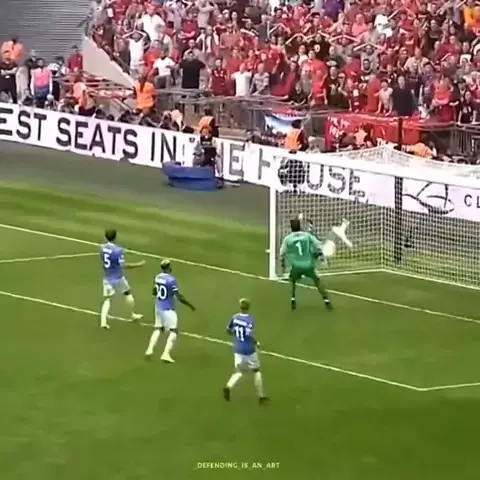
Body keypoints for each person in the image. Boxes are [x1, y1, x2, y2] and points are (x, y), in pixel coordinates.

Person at [145, 259, 195, 363]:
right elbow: (178, 296)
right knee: (174, 331)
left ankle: (149, 349)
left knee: (158, 329)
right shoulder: (171, 280)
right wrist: (190, 305)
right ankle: (165, 354)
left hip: (158, 306)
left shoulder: (158, 277)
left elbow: (154, 292)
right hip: (168, 309)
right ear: (168, 267)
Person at [279, 218, 332, 311]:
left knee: (292, 281)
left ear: (291, 227)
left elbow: (282, 253)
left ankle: (293, 299)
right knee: (318, 282)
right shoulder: (307, 236)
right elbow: (318, 246)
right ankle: (326, 300)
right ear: (300, 226)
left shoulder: (287, 239)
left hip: (296, 266)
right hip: (308, 265)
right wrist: (321, 256)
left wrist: (283, 264)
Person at [223, 298, 267, 404]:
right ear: (249, 307)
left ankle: (228, 386)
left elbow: (228, 330)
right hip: (249, 350)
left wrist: (236, 334)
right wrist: (256, 342)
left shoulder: (234, 317)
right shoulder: (250, 320)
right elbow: (248, 335)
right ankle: (261, 396)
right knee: (256, 371)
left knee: (239, 371)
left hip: (238, 349)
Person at [99, 228, 145, 329]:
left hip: (107, 277)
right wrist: (138, 264)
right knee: (128, 294)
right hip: (118, 278)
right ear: (115, 237)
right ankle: (132, 315)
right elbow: (123, 265)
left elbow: (102, 262)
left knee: (108, 299)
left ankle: (103, 322)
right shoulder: (118, 250)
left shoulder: (102, 248)